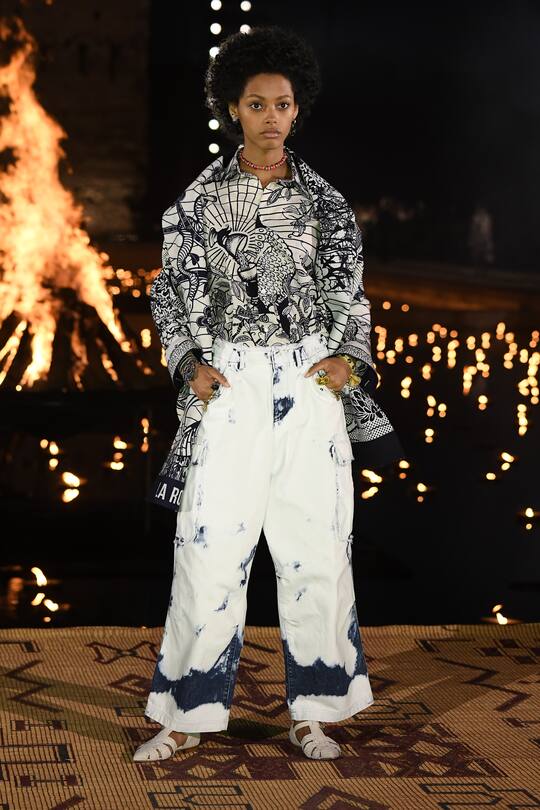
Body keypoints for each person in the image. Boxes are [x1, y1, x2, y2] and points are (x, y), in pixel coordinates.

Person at [134, 25, 404, 763]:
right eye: (256, 104)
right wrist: (189, 361)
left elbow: (351, 296)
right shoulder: (198, 201)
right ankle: (186, 713)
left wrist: (349, 359)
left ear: (298, 109)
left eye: (283, 104)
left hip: (310, 384)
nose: (271, 116)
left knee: (315, 545)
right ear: (233, 109)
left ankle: (314, 710)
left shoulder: (326, 203)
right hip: (231, 385)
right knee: (208, 548)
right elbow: (170, 293)